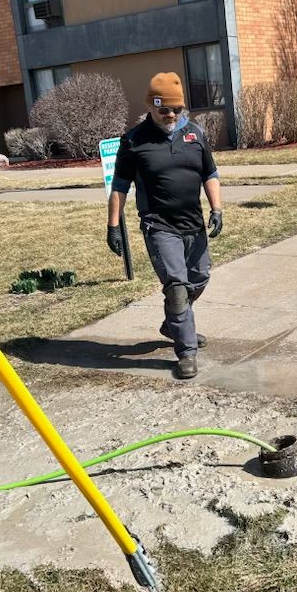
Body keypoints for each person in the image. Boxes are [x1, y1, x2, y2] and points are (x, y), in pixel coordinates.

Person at [106, 72, 223, 380]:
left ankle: (174, 323)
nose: (171, 115)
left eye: (176, 109)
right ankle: (186, 352)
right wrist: (113, 226)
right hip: (159, 227)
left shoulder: (195, 134)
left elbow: (210, 174)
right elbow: (120, 186)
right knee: (177, 287)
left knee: (199, 278)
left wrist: (217, 208)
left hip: (193, 225)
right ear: (151, 106)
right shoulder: (133, 141)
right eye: (164, 109)